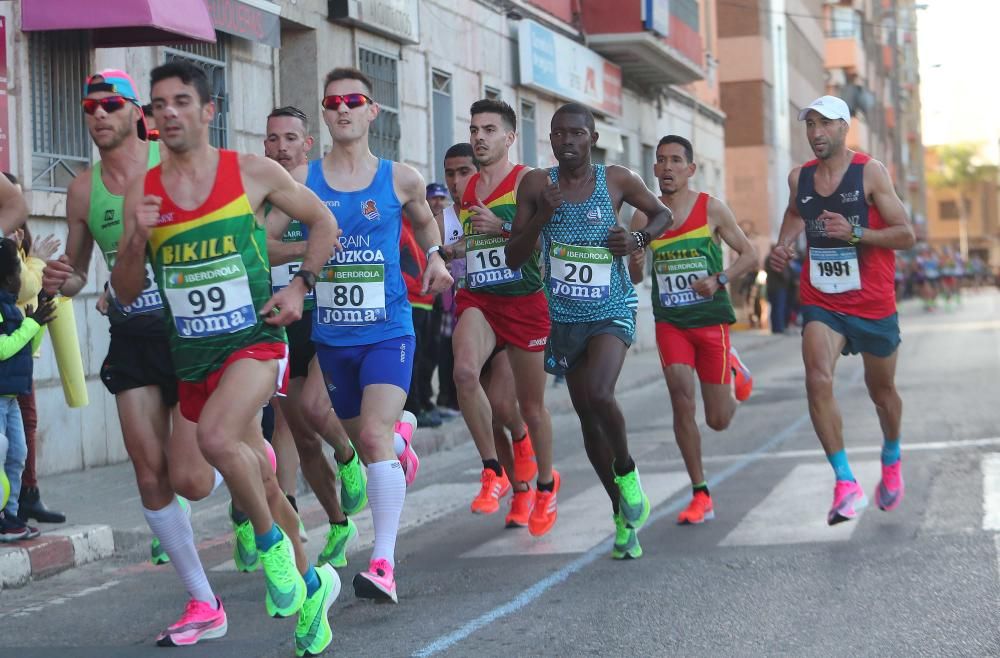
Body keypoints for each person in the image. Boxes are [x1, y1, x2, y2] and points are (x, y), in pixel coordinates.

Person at [110, 61, 341, 656]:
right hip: (193, 358)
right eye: (159, 104)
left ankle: (272, 553)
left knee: (215, 439)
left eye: (181, 100)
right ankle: (314, 585)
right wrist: (135, 238)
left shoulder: (252, 173)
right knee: (243, 475)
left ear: (209, 111)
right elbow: (128, 291)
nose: (169, 112)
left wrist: (298, 287)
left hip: (254, 343)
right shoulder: (145, 192)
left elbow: (324, 221)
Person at [42, 69, 230, 646]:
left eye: (111, 105)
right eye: (90, 107)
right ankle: (203, 600)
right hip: (132, 336)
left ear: (136, 114)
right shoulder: (82, 189)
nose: (99, 115)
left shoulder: (174, 163)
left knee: (193, 481)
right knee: (149, 474)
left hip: (192, 331)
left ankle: (244, 446)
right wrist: (60, 279)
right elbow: (75, 272)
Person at [304, 67, 451, 603]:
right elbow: (267, 236)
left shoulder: (400, 178)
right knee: (365, 441)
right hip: (332, 339)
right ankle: (400, 441)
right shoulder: (306, 183)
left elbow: (425, 224)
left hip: (389, 330)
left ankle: (383, 563)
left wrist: (435, 256)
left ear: (372, 112)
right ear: (325, 112)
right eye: (333, 101)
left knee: (369, 438)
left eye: (354, 100)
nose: (342, 108)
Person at [507, 102, 673, 559]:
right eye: (558, 134)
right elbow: (513, 257)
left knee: (600, 395)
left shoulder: (615, 179)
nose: (567, 141)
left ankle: (627, 470)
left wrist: (637, 239)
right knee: (586, 418)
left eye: (577, 133)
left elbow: (663, 216)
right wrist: (541, 215)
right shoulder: (537, 185)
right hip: (565, 318)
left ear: (592, 138)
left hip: (612, 308)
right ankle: (621, 512)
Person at [769, 95, 915, 525]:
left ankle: (891, 458)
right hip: (822, 299)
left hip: (872, 302)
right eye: (809, 124)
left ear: (843, 128)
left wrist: (856, 233)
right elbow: (796, 213)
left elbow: (905, 234)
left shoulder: (869, 172)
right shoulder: (800, 177)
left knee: (881, 392)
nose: (816, 132)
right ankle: (845, 482)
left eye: (825, 124)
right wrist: (782, 247)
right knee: (817, 378)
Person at [628, 134, 757, 527]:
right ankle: (700, 492)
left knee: (718, 419)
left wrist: (719, 279)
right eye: (661, 161)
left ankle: (734, 369)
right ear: (653, 169)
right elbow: (635, 276)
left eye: (675, 161)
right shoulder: (643, 216)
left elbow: (750, 255)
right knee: (681, 397)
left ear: (690, 169)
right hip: (671, 323)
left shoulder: (711, 209)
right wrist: (634, 257)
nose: (667, 168)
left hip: (710, 320)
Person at [443, 99, 554, 534]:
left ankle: (543, 485)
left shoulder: (528, 180)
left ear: (509, 138)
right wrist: (445, 253)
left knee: (524, 407)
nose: (479, 137)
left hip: (525, 303)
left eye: (489, 130)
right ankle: (494, 472)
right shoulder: (469, 189)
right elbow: (472, 243)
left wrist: (505, 230)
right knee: (465, 375)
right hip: (482, 299)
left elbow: (548, 232)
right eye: (474, 129)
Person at [262, 105, 366, 570]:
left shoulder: (323, 186)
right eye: (272, 139)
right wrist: (309, 246)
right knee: (298, 434)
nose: (280, 147)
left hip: (330, 314)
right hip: (283, 320)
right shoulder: (261, 192)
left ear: (308, 145)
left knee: (314, 410)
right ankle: (337, 521)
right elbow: (258, 247)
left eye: (290, 138)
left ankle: (347, 454)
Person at [0, 237, 54, 541]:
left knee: (17, 454)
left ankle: (10, 514)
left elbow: (26, 347)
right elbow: (4, 349)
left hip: (10, 399)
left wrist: (40, 319)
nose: (23, 276)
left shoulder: (11, 308)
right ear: (9, 278)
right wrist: (31, 324)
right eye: (20, 270)